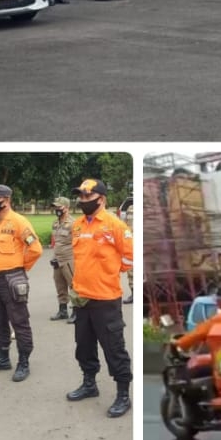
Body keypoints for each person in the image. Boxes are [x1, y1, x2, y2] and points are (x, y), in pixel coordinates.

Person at [65, 179, 134, 418]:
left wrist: (111, 273)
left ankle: (123, 394)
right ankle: (89, 383)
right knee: (83, 346)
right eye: (81, 197)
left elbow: (131, 256)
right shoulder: (78, 225)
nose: (83, 201)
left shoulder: (114, 225)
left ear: (101, 199)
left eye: (88, 197)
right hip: (82, 298)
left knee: (114, 348)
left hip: (106, 299)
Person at [0, 184, 42, 382]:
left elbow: (35, 249)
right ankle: (2, 358)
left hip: (12, 278)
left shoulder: (18, 221)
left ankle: (24, 362)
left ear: (6, 200)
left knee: (19, 321)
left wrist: (20, 268)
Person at [172, 282, 221, 358]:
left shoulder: (220, 319)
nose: (216, 302)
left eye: (216, 298)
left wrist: (180, 343)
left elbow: (198, 333)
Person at [49, 196, 75, 321]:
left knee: (74, 285)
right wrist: (54, 257)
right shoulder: (55, 223)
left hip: (69, 259)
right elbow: (56, 242)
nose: (57, 209)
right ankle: (63, 310)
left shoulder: (73, 224)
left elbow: (78, 243)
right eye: (55, 207)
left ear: (67, 208)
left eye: (59, 207)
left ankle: (76, 311)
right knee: (59, 285)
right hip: (57, 259)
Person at [119, 197, 134, 304]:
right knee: (131, 270)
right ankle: (134, 293)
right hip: (131, 242)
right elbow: (123, 225)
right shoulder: (130, 208)